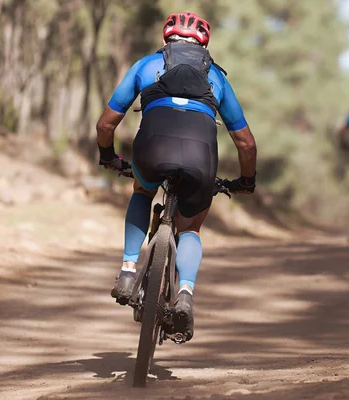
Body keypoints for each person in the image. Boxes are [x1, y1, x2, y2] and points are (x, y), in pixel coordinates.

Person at [95, 11, 257, 342]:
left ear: (166, 37)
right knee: (191, 227)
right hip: (201, 158)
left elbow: (105, 124)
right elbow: (246, 143)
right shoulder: (218, 78)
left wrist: (109, 157)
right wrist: (245, 181)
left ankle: (127, 270)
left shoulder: (145, 65)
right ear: (203, 43)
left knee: (142, 191)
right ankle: (184, 293)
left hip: (151, 151)